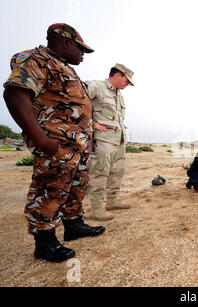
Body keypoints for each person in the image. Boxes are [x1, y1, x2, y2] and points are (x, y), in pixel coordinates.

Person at [3, 23, 105, 263]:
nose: (82, 54)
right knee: (51, 188)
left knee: (76, 186)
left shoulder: (63, 66)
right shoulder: (39, 59)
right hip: (56, 143)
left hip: (77, 145)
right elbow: (15, 93)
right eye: (80, 48)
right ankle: (45, 241)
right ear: (65, 42)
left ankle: (73, 225)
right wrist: (40, 138)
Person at [84, 64, 134, 221]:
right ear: (118, 75)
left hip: (118, 138)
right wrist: (91, 123)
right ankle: (95, 208)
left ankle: (112, 201)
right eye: (127, 81)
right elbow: (75, 101)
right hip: (103, 139)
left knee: (117, 171)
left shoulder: (119, 95)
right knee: (100, 171)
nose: (128, 85)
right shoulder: (96, 86)